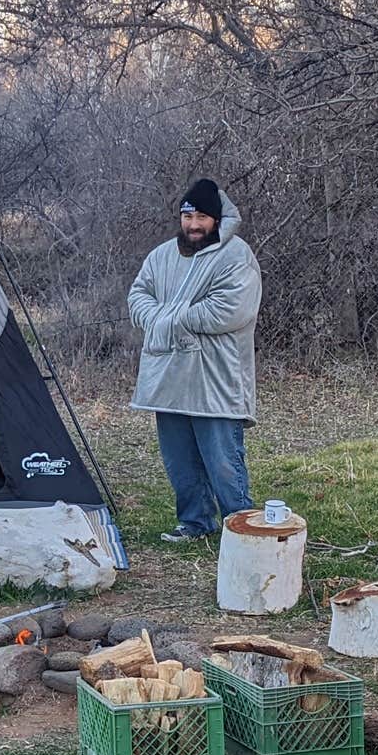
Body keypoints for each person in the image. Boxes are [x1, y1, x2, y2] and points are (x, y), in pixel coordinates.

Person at [128, 176, 261, 542]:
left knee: (223, 461)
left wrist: (170, 319)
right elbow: (139, 294)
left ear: (217, 219)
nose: (193, 225)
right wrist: (156, 317)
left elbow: (229, 310)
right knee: (180, 462)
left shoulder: (236, 256)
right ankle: (195, 522)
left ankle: (242, 529)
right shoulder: (161, 256)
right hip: (167, 378)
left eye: (202, 216)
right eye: (188, 216)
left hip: (213, 380)